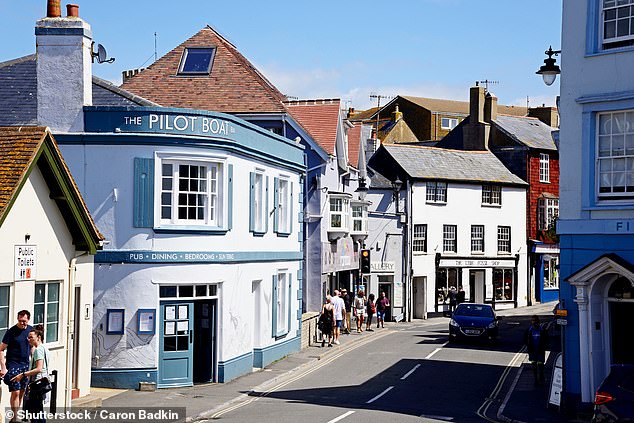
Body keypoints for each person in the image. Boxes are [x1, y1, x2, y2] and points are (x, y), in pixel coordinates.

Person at [11, 325, 50, 423]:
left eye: (31, 337)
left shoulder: (38, 350)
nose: (29, 339)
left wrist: (23, 375)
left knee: (34, 411)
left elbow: (39, 368)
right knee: (39, 410)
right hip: (42, 383)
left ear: (38, 337)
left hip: (36, 384)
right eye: (28, 337)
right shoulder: (45, 348)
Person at [0, 310, 33, 423]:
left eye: (24, 321)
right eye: (19, 320)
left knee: (22, 392)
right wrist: (3, 368)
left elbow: (33, 347)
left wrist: (34, 362)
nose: (21, 323)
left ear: (28, 319)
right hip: (13, 365)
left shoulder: (30, 330)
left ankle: (15, 417)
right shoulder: (11, 332)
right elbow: (1, 349)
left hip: (25, 365)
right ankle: (15, 419)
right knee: (16, 392)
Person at [524, 315, 549, 385]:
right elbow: (525, 340)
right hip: (532, 351)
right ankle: (536, 380)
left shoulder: (542, 330)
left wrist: (544, 347)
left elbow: (547, 339)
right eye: (532, 320)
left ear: (538, 321)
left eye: (535, 320)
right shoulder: (529, 330)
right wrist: (528, 347)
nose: (533, 322)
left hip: (540, 351)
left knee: (541, 366)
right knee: (534, 367)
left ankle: (541, 377)